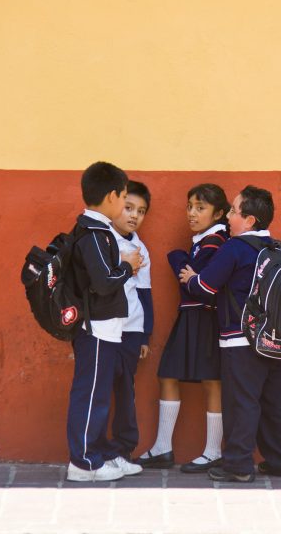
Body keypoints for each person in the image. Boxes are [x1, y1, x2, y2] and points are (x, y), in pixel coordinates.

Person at [180, 185, 281, 482]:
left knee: (241, 402)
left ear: (250, 220)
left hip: (240, 338)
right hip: (274, 340)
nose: (229, 217)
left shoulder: (234, 248)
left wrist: (191, 277)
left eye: (233, 211)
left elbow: (206, 287)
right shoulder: (279, 248)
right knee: (273, 402)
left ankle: (238, 465)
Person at [136, 184, 229, 472]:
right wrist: (185, 266)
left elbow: (198, 284)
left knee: (212, 381)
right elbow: (188, 274)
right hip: (188, 317)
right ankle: (163, 447)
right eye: (189, 206)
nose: (191, 213)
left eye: (200, 208)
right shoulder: (202, 240)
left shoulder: (216, 241)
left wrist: (180, 259)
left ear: (219, 213)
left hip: (206, 318)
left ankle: (213, 451)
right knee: (168, 374)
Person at [66, 161, 144, 482]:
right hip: (95, 328)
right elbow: (103, 281)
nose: (124, 204)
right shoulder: (94, 233)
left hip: (107, 326)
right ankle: (83, 463)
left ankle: (100, 454)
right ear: (112, 196)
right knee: (90, 396)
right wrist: (128, 265)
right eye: (124, 197)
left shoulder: (98, 231)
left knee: (99, 396)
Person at [107, 180, 154, 462]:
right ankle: (97, 448)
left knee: (126, 390)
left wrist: (146, 334)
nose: (134, 215)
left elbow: (145, 293)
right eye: (128, 208)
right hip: (104, 327)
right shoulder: (102, 241)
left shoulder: (141, 249)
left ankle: (123, 449)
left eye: (141, 210)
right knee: (101, 390)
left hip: (131, 330)